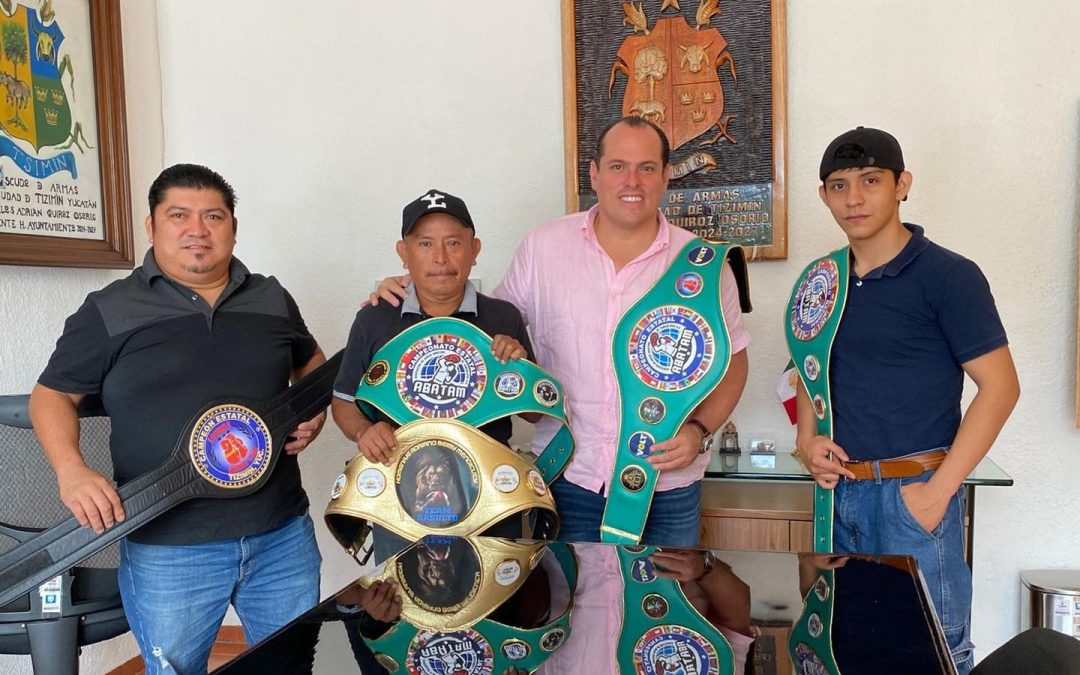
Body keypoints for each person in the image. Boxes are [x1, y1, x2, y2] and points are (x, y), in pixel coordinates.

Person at [374, 117, 750, 546]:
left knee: (663, 610)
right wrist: (416, 290)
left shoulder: (702, 264)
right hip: (565, 477)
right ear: (594, 172)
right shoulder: (543, 247)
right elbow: (476, 332)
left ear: (666, 176)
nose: (632, 181)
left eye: (647, 167)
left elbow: (734, 363)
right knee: (569, 608)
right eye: (617, 166)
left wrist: (699, 431)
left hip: (666, 484)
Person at [29, 164, 328, 674]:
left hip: (281, 533)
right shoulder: (110, 309)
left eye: (214, 216)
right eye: (179, 215)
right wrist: (71, 470)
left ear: (233, 225)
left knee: (291, 666)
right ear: (151, 226)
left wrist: (313, 411)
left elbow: (313, 364)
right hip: (169, 546)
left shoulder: (271, 298)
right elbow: (52, 395)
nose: (198, 229)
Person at [791, 127, 1020, 674]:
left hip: (913, 498)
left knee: (929, 652)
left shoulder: (949, 277)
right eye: (839, 185)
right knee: (842, 648)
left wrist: (937, 494)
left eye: (871, 181)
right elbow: (806, 369)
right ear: (823, 196)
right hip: (838, 497)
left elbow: (1002, 387)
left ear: (902, 186)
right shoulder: (822, 281)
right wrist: (806, 440)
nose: (854, 198)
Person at [330, 188, 534, 468]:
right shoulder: (374, 319)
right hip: (398, 481)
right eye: (425, 244)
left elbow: (536, 415)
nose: (440, 258)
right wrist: (365, 431)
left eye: (453, 243)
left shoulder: (503, 317)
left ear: (474, 250)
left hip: (491, 484)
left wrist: (519, 369)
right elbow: (344, 401)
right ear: (404, 253)